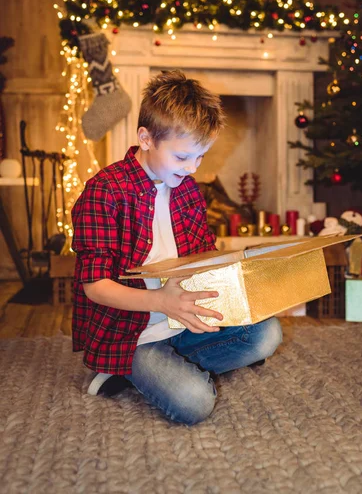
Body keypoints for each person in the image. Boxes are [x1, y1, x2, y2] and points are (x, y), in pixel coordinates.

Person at [71, 69, 282, 425]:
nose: (192, 168)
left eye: (200, 158)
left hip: (184, 320)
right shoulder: (105, 191)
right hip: (132, 333)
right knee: (195, 402)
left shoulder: (186, 189)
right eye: (183, 157)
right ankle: (128, 368)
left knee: (267, 333)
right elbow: (94, 286)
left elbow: (203, 255)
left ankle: (161, 369)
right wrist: (159, 301)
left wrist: (242, 283)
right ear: (146, 138)